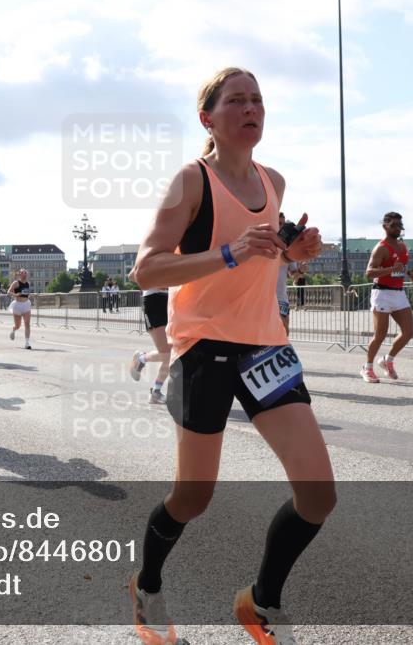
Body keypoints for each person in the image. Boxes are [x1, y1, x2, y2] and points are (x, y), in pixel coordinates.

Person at [127, 67, 333, 645]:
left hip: (266, 346)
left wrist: (293, 254)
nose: (251, 109)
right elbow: (147, 268)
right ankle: (147, 584)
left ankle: (260, 604)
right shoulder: (191, 182)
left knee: (318, 493)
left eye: (258, 100)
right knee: (194, 496)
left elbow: (264, 259)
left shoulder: (274, 182)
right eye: (237, 100)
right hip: (204, 347)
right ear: (208, 119)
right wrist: (230, 252)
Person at [360, 212, 413, 383]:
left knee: (408, 332)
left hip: (398, 292)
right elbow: (369, 273)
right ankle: (367, 368)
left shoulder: (403, 246)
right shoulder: (381, 248)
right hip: (382, 293)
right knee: (380, 335)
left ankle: (387, 360)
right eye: (394, 225)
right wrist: (390, 270)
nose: (398, 228)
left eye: (400, 225)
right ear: (385, 226)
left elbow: (400, 266)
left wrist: (408, 273)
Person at [128, 286, 170, 403]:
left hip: (171, 299)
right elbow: (136, 276)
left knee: (173, 354)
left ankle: (156, 391)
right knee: (168, 354)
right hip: (154, 300)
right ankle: (141, 359)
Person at [276, 212, 301, 336]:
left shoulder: (290, 248)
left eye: (282, 224)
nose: (280, 226)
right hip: (263, 297)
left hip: (281, 297)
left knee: (284, 332)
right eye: (278, 223)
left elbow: (293, 275)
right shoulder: (265, 242)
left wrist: (301, 271)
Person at [7, 269, 33, 350]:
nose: (24, 274)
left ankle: (27, 343)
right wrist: (15, 294)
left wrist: (28, 296)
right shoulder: (16, 283)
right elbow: (8, 292)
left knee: (27, 323)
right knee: (18, 325)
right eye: (22, 273)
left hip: (26, 305)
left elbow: (26, 293)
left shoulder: (28, 283)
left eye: (25, 273)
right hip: (17, 305)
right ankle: (14, 330)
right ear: (19, 274)